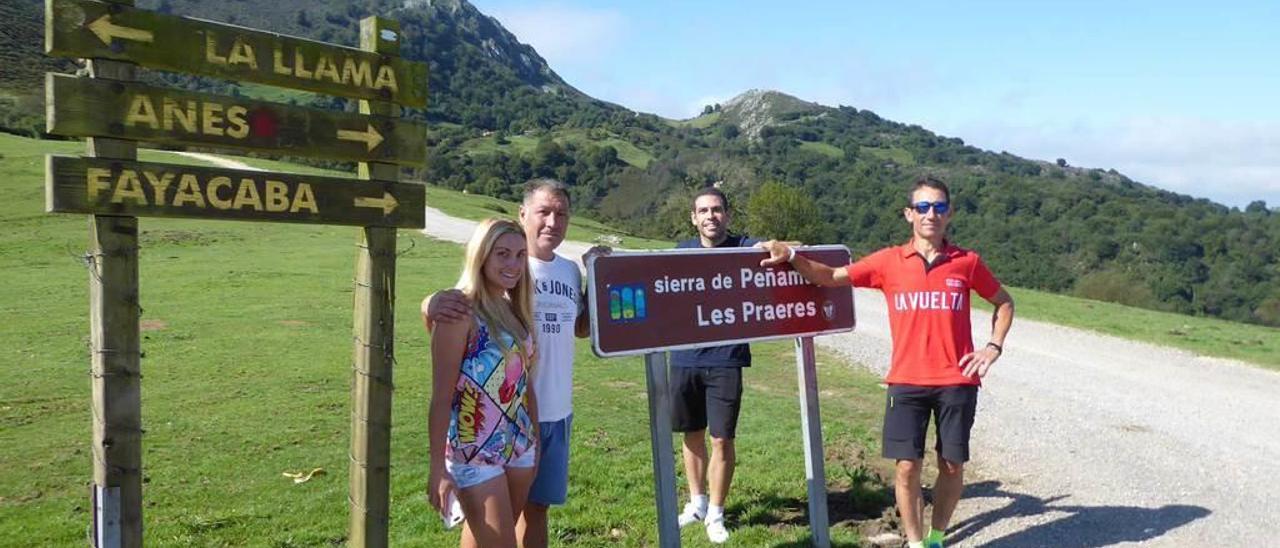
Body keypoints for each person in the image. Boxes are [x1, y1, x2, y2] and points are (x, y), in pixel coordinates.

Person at [759, 176, 1015, 548]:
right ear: (909, 214)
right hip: (907, 381)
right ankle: (914, 542)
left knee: (952, 465)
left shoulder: (967, 262)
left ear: (950, 214)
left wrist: (993, 347)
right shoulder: (888, 262)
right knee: (907, 467)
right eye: (923, 207)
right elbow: (830, 277)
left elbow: (1004, 302)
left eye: (939, 207)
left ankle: (936, 537)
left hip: (957, 382)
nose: (932, 214)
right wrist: (793, 256)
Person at [424, 178, 595, 548]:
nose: (514, 263)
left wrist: (599, 279)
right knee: (497, 539)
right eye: (543, 212)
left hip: (531, 431)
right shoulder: (469, 303)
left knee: (523, 519)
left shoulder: (522, 301)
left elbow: (534, 373)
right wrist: (430, 302)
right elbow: (440, 392)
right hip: (477, 442)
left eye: (561, 213)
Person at [425, 218, 538, 547]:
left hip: (519, 445)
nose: (513, 264)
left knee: (481, 539)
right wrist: (437, 468)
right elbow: (441, 398)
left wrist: (536, 440)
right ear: (481, 255)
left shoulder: (514, 309)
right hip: (473, 451)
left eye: (520, 255)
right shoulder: (459, 312)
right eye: (502, 253)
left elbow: (524, 383)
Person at [670, 187, 759, 544]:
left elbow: (775, 248)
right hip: (684, 358)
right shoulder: (681, 254)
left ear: (728, 215)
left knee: (722, 438)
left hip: (726, 360)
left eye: (717, 210)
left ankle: (717, 514)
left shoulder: (743, 248)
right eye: (703, 211)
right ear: (694, 218)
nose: (711, 216)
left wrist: (775, 247)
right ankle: (697, 504)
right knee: (691, 434)